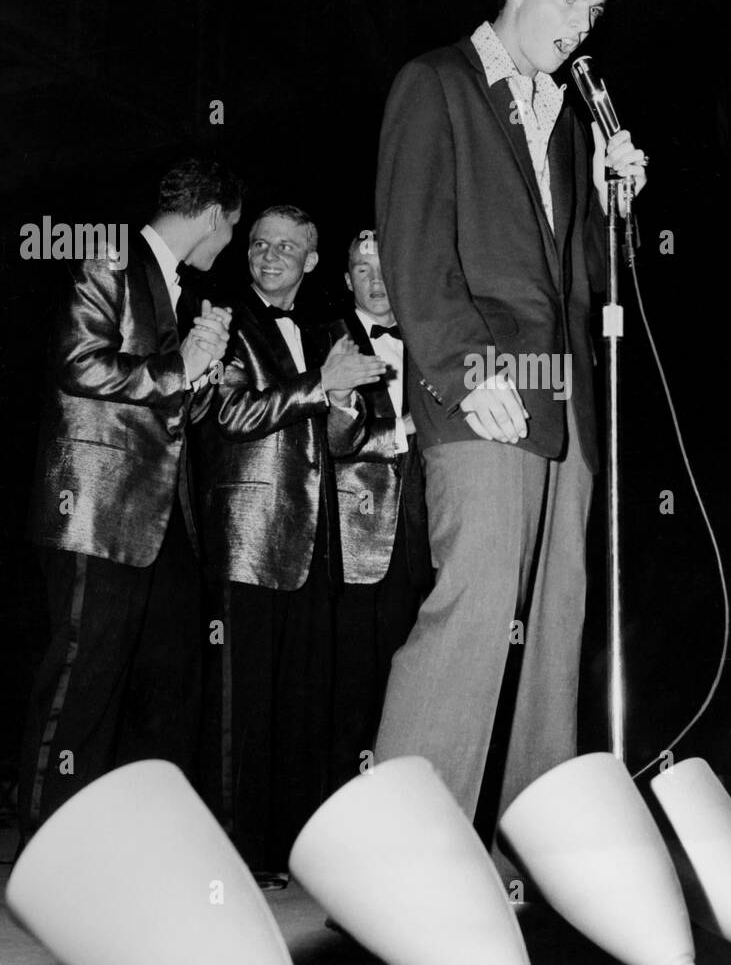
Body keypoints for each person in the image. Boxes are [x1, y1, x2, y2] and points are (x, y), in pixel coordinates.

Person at [373, 0, 647, 855]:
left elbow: (587, 287)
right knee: (476, 614)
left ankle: (535, 856)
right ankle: (410, 854)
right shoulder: (437, 83)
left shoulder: (570, 122)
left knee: (556, 633)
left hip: (566, 411)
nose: (581, 25)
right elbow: (416, 245)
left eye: (596, 11)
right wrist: (462, 372)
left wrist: (616, 207)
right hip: (483, 390)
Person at [21, 158, 243, 835]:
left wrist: (201, 379)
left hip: (151, 516)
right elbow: (79, 361)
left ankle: (118, 837)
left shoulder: (170, 287)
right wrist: (183, 366)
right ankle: (46, 845)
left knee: (142, 680)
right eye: (232, 227)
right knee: (82, 681)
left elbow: (157, 393)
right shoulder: (108, 257)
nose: (229, 243)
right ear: (212, 215)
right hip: (94, 509)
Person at [198, 205, 386, 882]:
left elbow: (342, 441)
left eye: (289, 247)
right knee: (241, 709)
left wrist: (338, 408)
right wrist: (319, 388)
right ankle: (235, 858)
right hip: (248, 540)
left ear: (312, 261)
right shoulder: (220, 320)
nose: (270, 256)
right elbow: (232, 414)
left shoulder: (326, 330)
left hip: (316, 544)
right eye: (260, 243)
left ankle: (290, 853)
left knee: (301, 704)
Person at [327, 231, 432, 788]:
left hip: (420, 538)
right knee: (349, 684)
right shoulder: (329, 341)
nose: (376, 281)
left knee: (408, 675)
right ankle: (346, 806)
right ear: (347, 281)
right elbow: (330, 437)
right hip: (351, 538)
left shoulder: (432, 340)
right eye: (362, 270)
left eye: (386, 268)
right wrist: (402, 431)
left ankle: (400, 798)